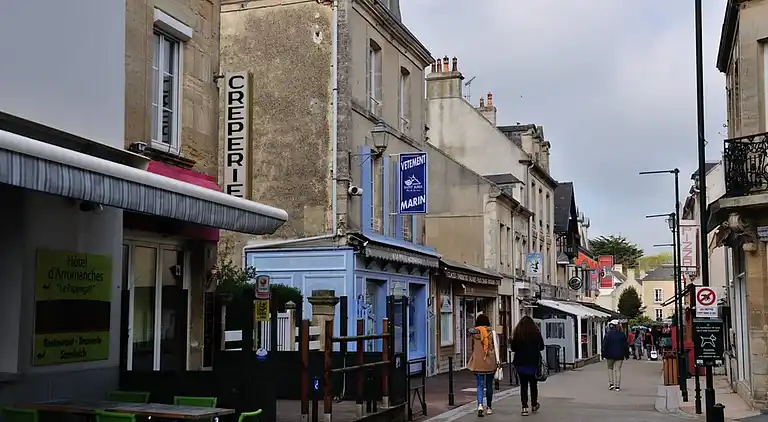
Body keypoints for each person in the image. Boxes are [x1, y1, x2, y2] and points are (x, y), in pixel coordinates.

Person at [510, 316, 545, 416]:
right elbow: (541, 347)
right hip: (533, 363)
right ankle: (534, 404)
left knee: (523, 386)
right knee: (533, 385)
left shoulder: (518, 333)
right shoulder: (536, 333)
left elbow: (513, 348)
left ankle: (524, 407)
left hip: (520, 363)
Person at [467, 313, 499, 417]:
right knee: (489, 385)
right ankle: (489, 407)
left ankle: (480, 405)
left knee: (480, 385)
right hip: (490, 362)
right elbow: (496, 347)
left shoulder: (474, 334)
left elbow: (472, 347)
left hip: (478, 362)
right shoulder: (492, 332)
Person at [602, 320, 630, 391]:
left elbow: (604, 345)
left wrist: (603, 354)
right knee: (618, 370)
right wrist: (626, 355)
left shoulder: (608, 334)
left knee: (610, 368)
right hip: (620, 355)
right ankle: (617, 386)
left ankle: (611, 384)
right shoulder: (622, 334)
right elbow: (625, 345)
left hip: (609, 354)